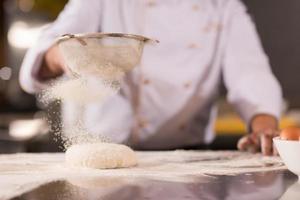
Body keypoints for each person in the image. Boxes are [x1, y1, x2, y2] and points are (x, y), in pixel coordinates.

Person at [19, 0, 282, 155]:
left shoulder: (223, 6)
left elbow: (250, 72)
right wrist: (63, 57)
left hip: (187, 159)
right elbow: (52, 44)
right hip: (99, 154)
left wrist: (264, 126)